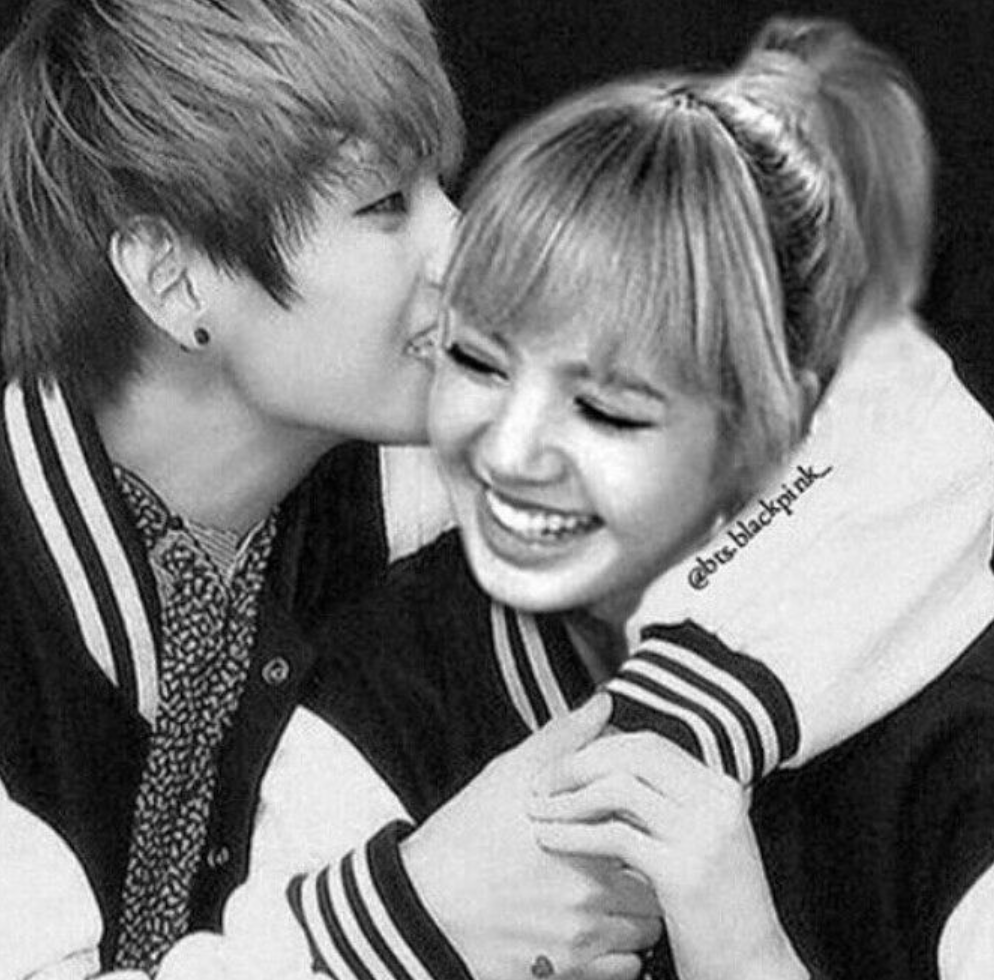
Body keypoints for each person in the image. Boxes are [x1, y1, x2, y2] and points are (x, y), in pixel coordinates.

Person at [154, 17, 994, 980]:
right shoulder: (387, 691)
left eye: (614, 405)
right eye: (488, 361)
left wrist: (745, 951)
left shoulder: (938, 695)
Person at [0, 0, 462, 975]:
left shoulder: (427, 500)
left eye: (442, 188)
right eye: (386, 204)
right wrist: (414, 915)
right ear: (172, 280)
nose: (463, 244)